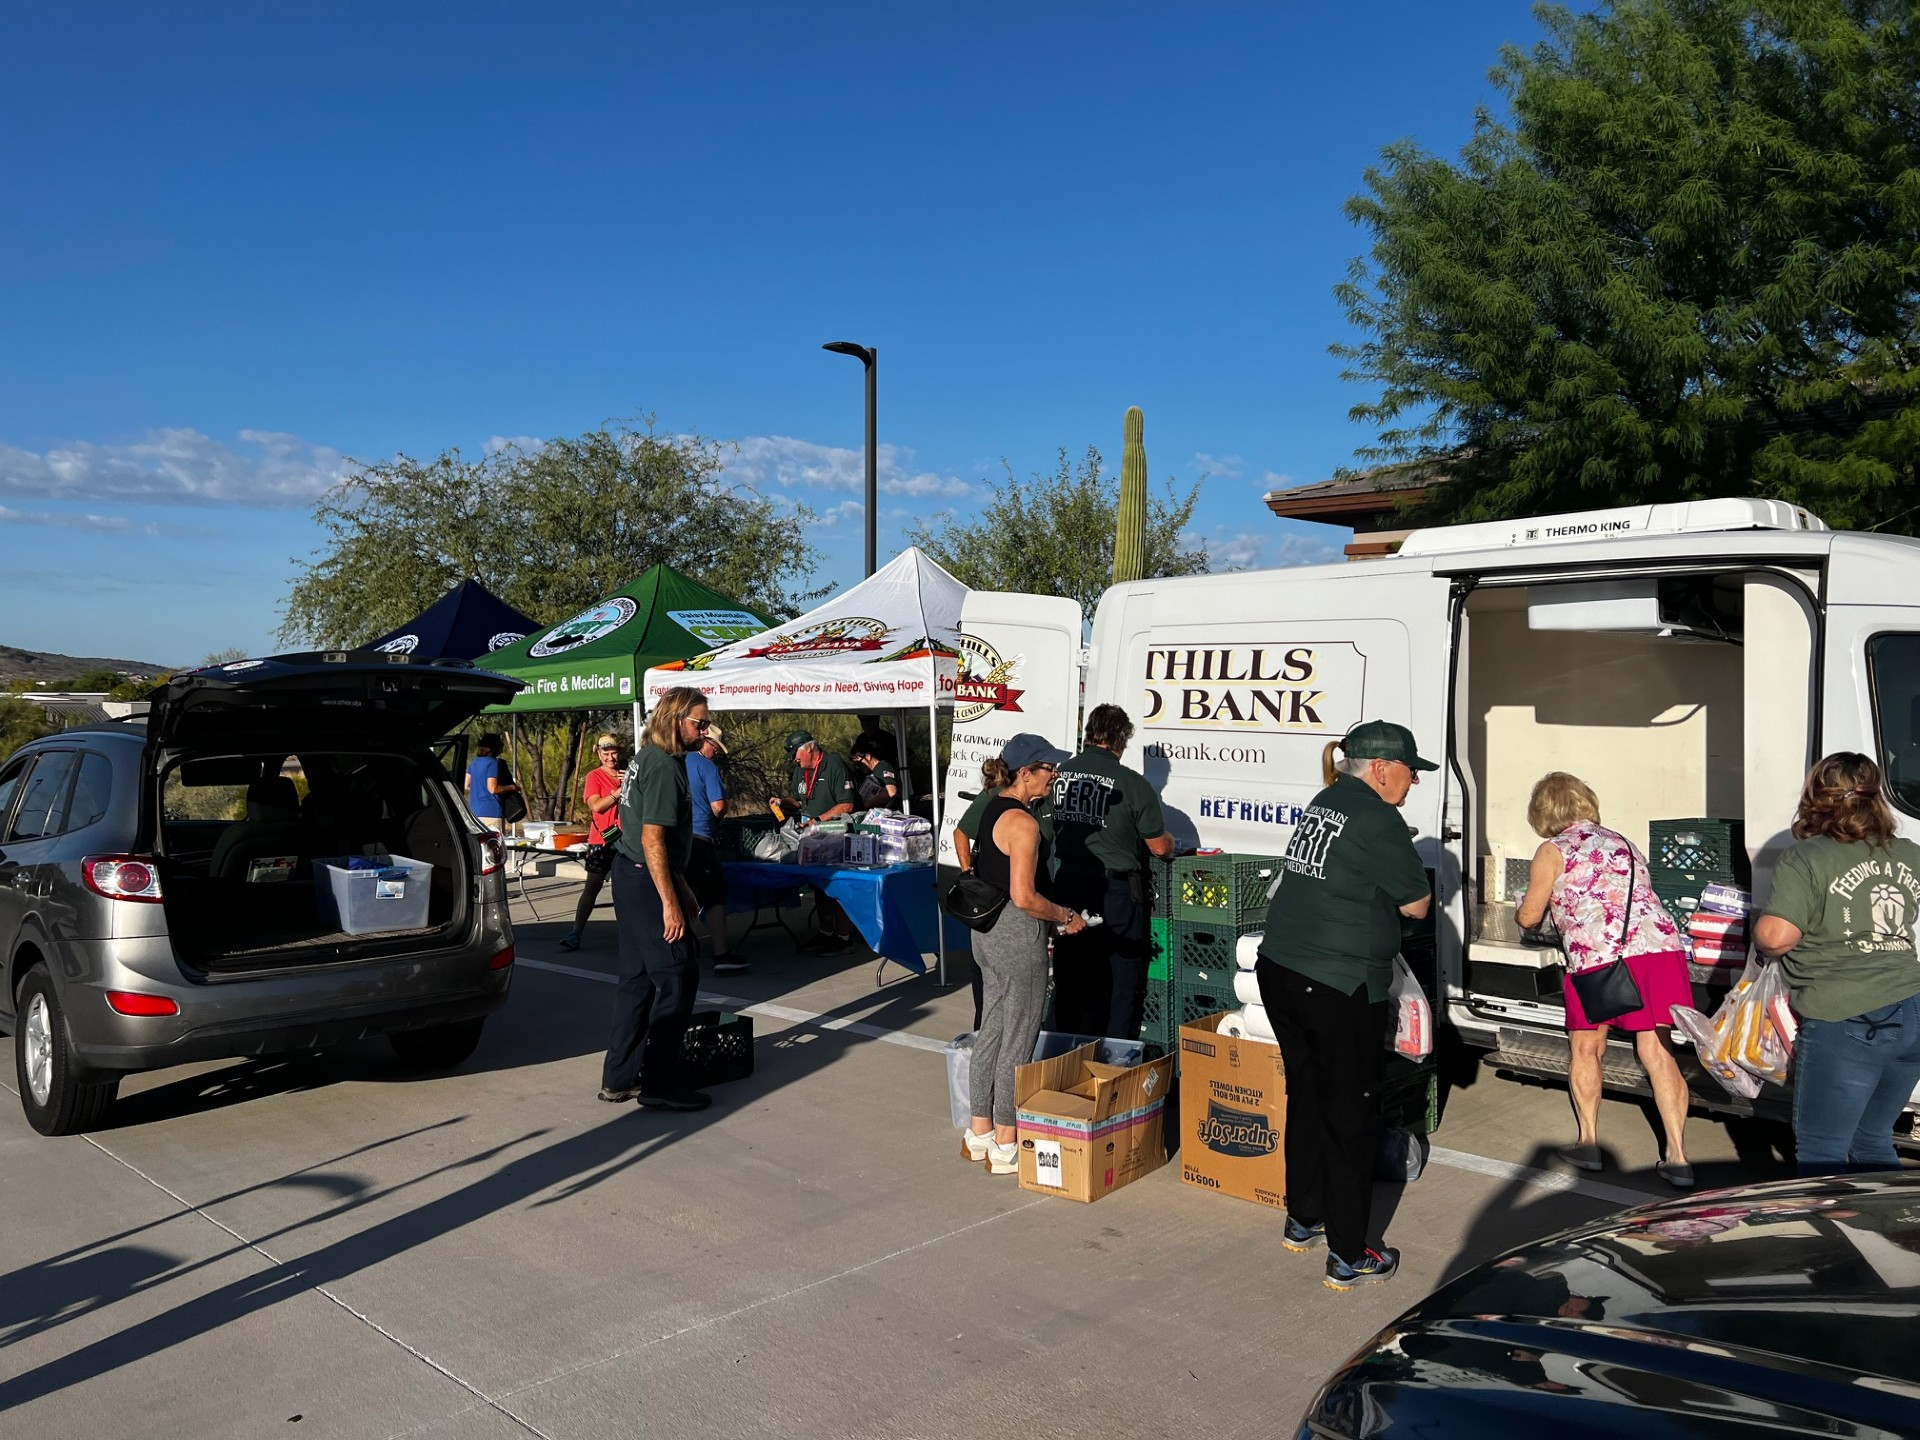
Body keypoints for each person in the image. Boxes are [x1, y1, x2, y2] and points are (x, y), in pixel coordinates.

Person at [1255, 720, 1433, 1291]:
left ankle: (1303, 1216)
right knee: (1348, 1111)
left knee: (1306, 1093)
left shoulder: (1326, 798)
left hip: (1283, 968)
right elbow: (1418, 906)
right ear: (1381, 769)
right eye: (1410, 772)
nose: (1413, 784)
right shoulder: (1379, 817)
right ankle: (1350, 1251)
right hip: (1336, 980)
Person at [1513, 772, 1693, 1188]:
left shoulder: (1552, 850)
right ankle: (1678, 1157)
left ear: (1543, 812)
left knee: (1587, 1047)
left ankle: (1589, 1143)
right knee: (1658, 1051)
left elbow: (1528, 917)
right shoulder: (1625, 842)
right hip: (1659, 951)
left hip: (1600, 957)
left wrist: (1531, 902)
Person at [1754, 752, 1920, 1176]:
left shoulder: (1807, 857)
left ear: (1815, 798)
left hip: (1848, 1016)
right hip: (1913, 1008)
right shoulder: (1909, 852)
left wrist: (1759, 929)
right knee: (1872, 1140)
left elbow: (1777, 937)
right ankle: (1892, 1234)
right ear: (1876, 797)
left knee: (1822, 1152)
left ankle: (1834, 1242)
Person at [965, 734, 1088, 1175]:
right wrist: (1064, 915)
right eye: (1048, 769)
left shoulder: (993, 807)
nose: (1054, 777)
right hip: (1016, 936)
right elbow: (1023, 895)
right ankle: (1005, 1142)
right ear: (1025, 772)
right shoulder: (1024, 823)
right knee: (1018, 1037)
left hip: (986, 934)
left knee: (993, 1031)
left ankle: (978, 1132)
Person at [599, 688, 713, 1112]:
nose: (704, 731)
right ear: (675, 719)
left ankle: (620, 1077)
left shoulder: (647, 757)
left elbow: (659, 841)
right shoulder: (664, 765)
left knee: (638, 978)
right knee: (678, 972)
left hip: (631, 873)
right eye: (698, 723)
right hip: (643, 876)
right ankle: (661, 1082)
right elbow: (652, 838)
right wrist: (669, 902)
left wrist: (682, 889)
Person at [1048, 705, 1174, 1039]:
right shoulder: (1134, 784)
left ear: (1089, 734)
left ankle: (1061, 1057)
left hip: (1069, 886)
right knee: (1120, 981)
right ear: (1121, 740)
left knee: (1070, 975)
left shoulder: (1058, 776)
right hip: (1116, 893)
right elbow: (1159, 847)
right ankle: (1113, 1068)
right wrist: (1171, 841)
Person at [773, 731, 859, 954]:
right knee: (818, 886)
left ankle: (843, 937)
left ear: (809, 749)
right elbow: (799, 801)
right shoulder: (800, 771)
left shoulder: (834, 765)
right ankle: (825, 932)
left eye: (796, 754)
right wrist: (783, 802)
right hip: (811, 836)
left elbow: (847, 805)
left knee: (835, 885)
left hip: (834, 833)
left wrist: (819, 819)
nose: (795, 759)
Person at [558, 733, 625, 952]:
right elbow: (596, 806)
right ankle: (576, 932)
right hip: (602, 839)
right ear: (598, 754)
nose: (611, 758)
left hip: (626, 839)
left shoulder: (627, 774)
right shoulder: (594, 777)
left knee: (626, 889)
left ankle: (629, 936)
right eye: (606, 753)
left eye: (614, 752)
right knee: (592, 887)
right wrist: (618, 793)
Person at [685, 722, 740, 974]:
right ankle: (721, 954)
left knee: (683, 893)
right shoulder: (706, 767)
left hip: (678, 839)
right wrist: (715, 820)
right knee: (714, 898)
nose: (715, 752)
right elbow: (718, 805)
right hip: (700, 838)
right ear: (706, 743)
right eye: (715, 748)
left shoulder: (676, 762)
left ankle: (681, 947)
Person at [464, 733, 519, 831]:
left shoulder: (474, 762)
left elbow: (466, 785)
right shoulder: (492, 762)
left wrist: (481, 789)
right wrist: (512, 787)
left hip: (475, 812)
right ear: (494, 747)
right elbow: (493, 789)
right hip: (491, 812)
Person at [850, 730, 902, 811]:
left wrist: (867, 805)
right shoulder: (873, 772)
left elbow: (891, 791)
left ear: (868, 756)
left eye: (858, 763)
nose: (859, 767)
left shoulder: (882, 767)